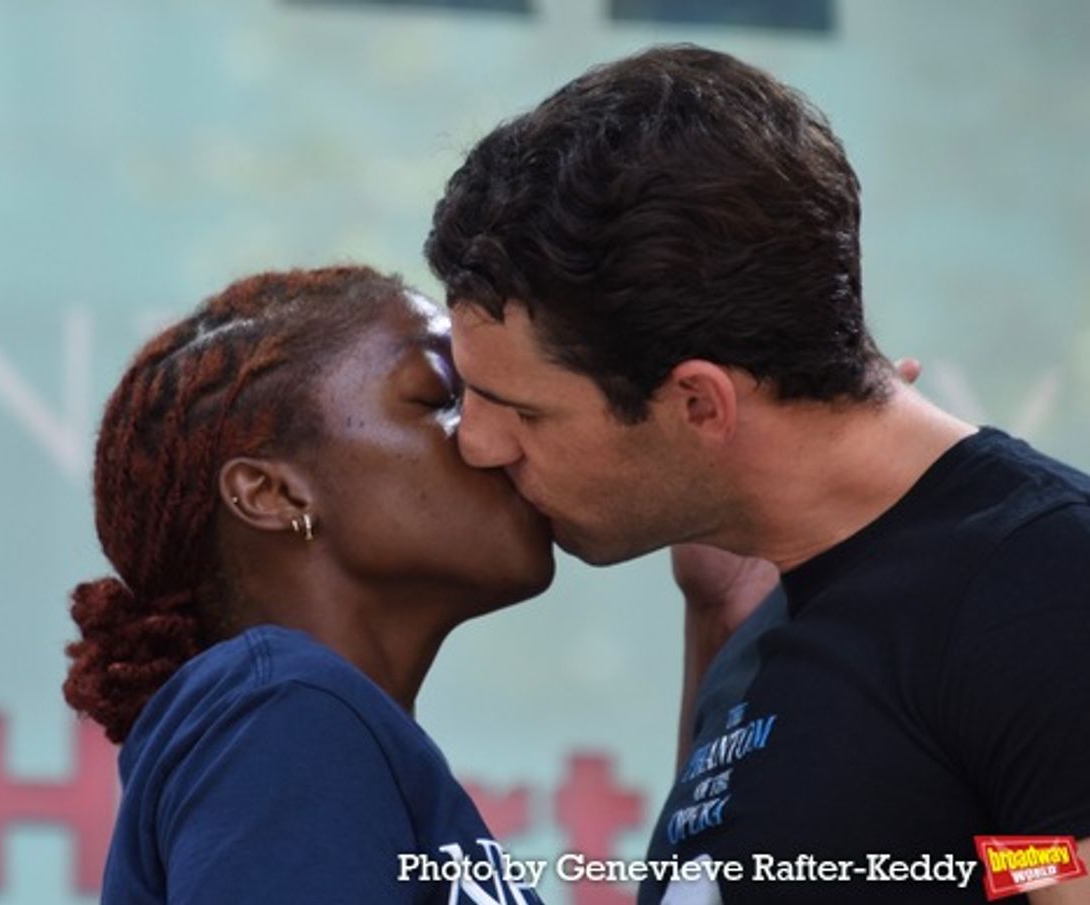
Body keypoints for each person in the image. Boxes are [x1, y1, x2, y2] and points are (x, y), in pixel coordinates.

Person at [424, 44, 1090, 904]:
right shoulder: (764, 611)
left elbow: (1046, 872)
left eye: (522, 410)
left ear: (700, 403)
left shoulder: (1041, 587)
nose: (479, 443)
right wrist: (715, 626)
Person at [62, 266, 552, 904]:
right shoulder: (284, 717)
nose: (493, 438)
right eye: (440, 396)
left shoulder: (305, 724)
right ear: (273, 494)